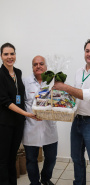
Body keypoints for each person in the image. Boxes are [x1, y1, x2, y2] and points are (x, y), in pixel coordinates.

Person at [53, 39, 90, 185]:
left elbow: (89, 95)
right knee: (76, 158)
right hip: (77, 120)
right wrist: (60, 95)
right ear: (84, 52)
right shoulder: (79, 72)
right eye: (87, 51)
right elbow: (76, 95)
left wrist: (65, 87)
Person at [0, 43, 38, 185]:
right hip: (4, 124)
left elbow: (22, 96)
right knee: (3, 159)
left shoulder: (18, 72)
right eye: (6, 54)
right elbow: (6, 101)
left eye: (12, 54)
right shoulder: (0, 75)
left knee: (12, 157)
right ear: (1, 56)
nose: (10, 57)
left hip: (18, 123)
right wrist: (26, 114)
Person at [22, 56, 58, 185]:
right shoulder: (25, 81)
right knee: (31, 159)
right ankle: (34, 182)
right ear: (32, 67)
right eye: (35, 64)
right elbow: (19, 101)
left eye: (41, 63)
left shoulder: (54, 81)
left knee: (51, 158)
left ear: (46, 66)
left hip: (49, 127)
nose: (38, 66)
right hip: (31, 127)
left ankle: (45, 179)